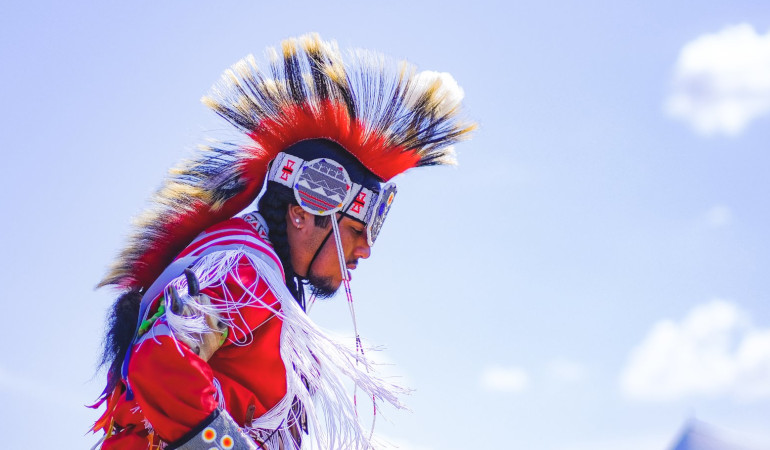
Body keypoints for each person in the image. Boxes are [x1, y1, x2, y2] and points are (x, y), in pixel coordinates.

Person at [91, 33, 474, 450]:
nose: (364, 251)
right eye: (355, 231)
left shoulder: (257, 274)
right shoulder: (243, 271)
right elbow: (161, 358)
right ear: (302, 213)